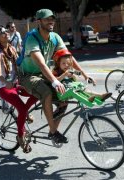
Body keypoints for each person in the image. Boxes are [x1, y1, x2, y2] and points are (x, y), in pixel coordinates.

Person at [18, 9, 90, 144]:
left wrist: (85, 74)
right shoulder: (32, 38)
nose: (51, 21)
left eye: (52, 19)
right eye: (47, 19)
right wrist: (55, 81)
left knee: (66, 95)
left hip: (42, 73)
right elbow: (40, 63)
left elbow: (68, 57)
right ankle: (53, 132)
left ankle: (52, 128)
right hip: (27, 75)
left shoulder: (55, 37)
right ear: (39, 21)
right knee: (46, 91)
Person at [0, 25, 38, 153]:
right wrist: (6, 82)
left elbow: (20, 64)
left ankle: (25, 114)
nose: (6, 33)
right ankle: (20, 136)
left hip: (17, 83)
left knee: (38, 93)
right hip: (5, 88)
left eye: (6, 31)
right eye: (2, 32)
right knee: (21, 108)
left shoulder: (11, 48)